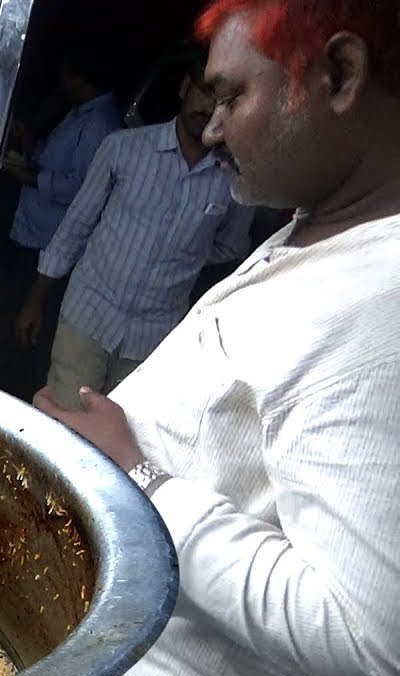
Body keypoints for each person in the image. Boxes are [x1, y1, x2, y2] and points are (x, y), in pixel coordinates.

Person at [35, 1, 400, 676]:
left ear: (341, 75)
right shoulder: (321, 221)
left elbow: (373, 644)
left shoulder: (382, 306)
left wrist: (141, 480)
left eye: (234, 95)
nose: (213, 124)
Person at [19, 50, 254, 409]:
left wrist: (183, 252)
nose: (211, 108)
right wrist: (35, 301)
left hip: (152, 339)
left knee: (119, 442)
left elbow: (229, 246)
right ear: (185, 88)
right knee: (62, 425)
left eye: (226, 101)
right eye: (205, 92)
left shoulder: (233, 181)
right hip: (88, 317)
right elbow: (75, 227)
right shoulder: (124, 149)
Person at [0, 50, 126, 399]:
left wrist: (28, 177)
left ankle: (19, 394)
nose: (61, 82)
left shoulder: (101, 124)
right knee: (15, 317)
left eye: (66, 75)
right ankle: (9, 382)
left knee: (31, 329)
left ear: (81, 79)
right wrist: (28, 143)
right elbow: (53, 159)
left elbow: (80, 186)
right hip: (33, 234)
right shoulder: (79, 113)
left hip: (49, 243)